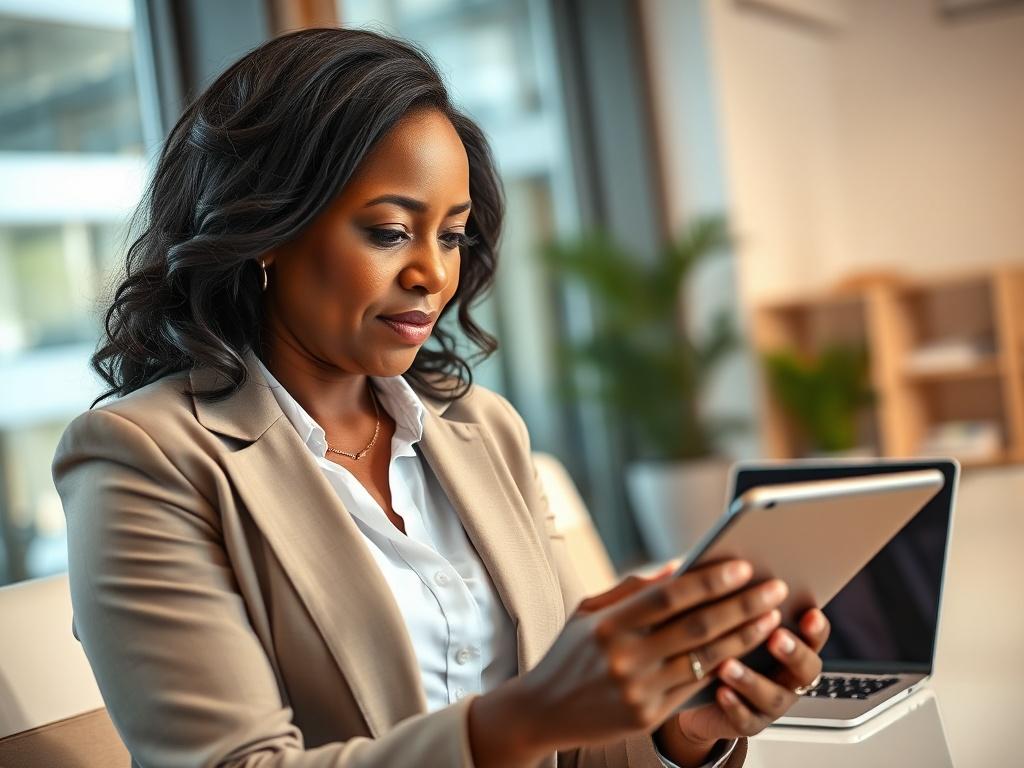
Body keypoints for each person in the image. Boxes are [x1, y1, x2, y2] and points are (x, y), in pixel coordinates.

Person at [51, 27, 829, 768]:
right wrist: (531, 716)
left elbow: (579, 748)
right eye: (390, 232)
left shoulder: (483, 431)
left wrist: (682, 729)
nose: (433, 274)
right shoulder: (141, 459)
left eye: (452, 235)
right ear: (267, 231)